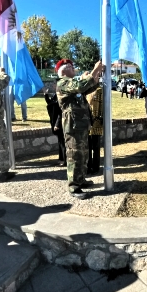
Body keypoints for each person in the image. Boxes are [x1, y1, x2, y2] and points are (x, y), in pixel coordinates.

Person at [56, 58, 105, 199]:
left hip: (81, 125)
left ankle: (81, 180)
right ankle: (74, 187)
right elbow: (80, 86)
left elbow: (89, 87)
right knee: (74, 156)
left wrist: (97, 74)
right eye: (71, 67)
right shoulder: (63, 82)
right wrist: (95, 69)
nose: (74, 69)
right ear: (64, 70)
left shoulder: (72, 83)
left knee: (83, 155)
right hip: (72, 126)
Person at [45, 91, 66, 166]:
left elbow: (61, 112)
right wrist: (46, 95)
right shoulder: (55, 95)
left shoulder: (60, 95)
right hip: (54, 120)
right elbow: (50, 104)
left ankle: (65, 160)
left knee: (63, 142)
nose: (53, 85)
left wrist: (57, 124)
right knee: (60, 141)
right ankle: (61, 159)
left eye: (54, 83)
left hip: (60, 122)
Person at [88, 83, 104, 174]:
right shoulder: (85, 91)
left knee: (96, 146)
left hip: (96, 122)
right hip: (87, 122)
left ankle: (95, 167)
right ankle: (88, 166)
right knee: (88, 147)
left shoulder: (99, 91)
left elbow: (103, 105)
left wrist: (101, 118)